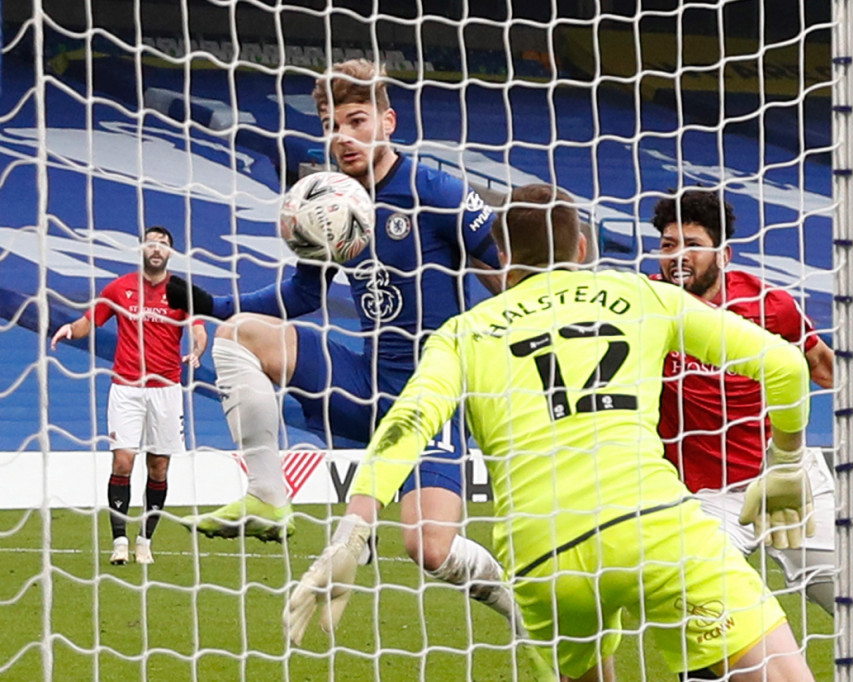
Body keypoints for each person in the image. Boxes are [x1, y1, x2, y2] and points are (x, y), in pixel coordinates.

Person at [285, 184, 819, 682]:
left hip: (543, 554)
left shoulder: (463, 333)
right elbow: (787, 368)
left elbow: (408, 423)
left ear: (502, 255)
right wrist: (788, 461)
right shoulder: (640, 295)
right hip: (655, 529)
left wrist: (353, 529)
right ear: (583, 246)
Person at [165, 59, 520, 631]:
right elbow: (300, 295)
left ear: (388, 121)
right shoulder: (330, 201)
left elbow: (507, 271)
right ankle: (266, 495)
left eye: (356, 121)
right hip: (362, 382)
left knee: (429, 551)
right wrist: (210, 306)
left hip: (430, 399)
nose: (342, 136)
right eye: (331, 124)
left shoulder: (434, 188)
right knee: (237, 337)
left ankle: (514, 600)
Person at [652, 189, 853, 682]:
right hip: (702, 498)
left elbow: (822, 366)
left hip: (787, 480)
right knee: (711, 624)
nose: (677, 257)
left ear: (724, 254)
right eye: (667, 245)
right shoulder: (646, 308)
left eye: (691, 244)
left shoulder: (768, 306)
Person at [50, 226, 207, 565]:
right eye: (151, 242)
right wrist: (69, 330)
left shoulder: (181, 292)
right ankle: (119, 541)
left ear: (170, 253)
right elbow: (90, 321)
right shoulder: (120, 288)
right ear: (141, 248)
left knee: (159, 467)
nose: (156, 248)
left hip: (166, 389)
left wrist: (197, 349)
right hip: (126, 387)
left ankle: (144, 541)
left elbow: (198, 329)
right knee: (123, 460)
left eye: (163, 244)